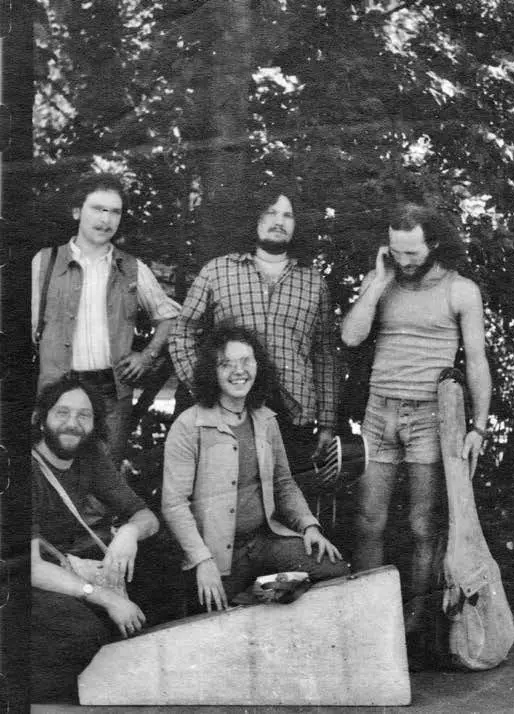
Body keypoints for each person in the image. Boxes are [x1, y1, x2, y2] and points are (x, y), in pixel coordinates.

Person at [341, 203, 491, 661]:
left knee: (422, 524)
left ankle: (417, 626)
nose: (403, 260)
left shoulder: (460, 290)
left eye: (412, 252)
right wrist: (377, 283)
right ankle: (370, 621)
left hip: (431, 416)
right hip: (379, 412)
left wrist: (478, 427)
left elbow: (477, 361)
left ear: (434, 245)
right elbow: (351, 336)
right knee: (368, 520)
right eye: (396, 250)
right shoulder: (381, 282)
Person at [162, 324, 349, 613]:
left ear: (258, 366)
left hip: (265, 541)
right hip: (215, 554)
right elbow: (174, 504)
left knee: (334, 570)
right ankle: (249, 596)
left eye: (246, 361)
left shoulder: (266, 419)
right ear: (212, 372)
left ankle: (253, 595)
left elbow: (284, 483)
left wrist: (309, 525)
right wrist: (201, 559)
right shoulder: (189, 425)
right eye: (226, 364)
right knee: (214, 616)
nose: (239, 371)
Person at [31, 376, 185, 703]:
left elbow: (144, 516)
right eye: (62, 413)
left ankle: (143, 679)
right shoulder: (21, 468)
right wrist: (107, 598)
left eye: (84, 415)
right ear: (42, 417)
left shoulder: (89, 456)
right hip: (21, 577)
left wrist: (129, 532)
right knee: (83, 631)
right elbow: (29, 567)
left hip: (66, 561)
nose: (72, 423)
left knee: (164, 561)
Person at [170, 182, 339, 472]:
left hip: (292, 416)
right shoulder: (217, 271)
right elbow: (182, 333)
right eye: (270, 212)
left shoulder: (313, 282)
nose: (279, 221)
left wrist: (326, 423)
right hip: (227, 410)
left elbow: (324, 355)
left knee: (285, 493)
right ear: (253, 218)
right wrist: (205, 388)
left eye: (288, 215)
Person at [32, 172, 180, 467]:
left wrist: (147, 355)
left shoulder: (132, 268)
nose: (106, 219)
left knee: (105, 476)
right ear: (77, 212)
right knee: (51, 472)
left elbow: (171, 317)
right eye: (98, 209)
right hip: (56, 391)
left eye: (114, 211)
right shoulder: (45, 261)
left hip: (110, 393)